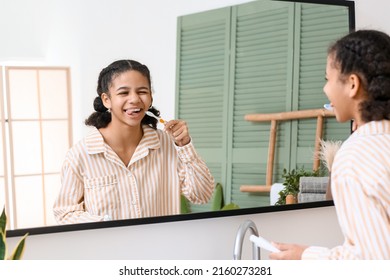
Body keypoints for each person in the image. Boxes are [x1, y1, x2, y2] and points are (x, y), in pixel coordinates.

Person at [270, 30, 390, 260]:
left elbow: (375, 262)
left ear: (352, 84)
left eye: (328, 79)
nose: (325, 89)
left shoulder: (355, 157)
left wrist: (307, 256)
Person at [53, 59, 215, 224]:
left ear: (150, 97)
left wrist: (184, 145)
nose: (134, 99)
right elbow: (65, 213)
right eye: (124, 93)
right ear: (106, 99)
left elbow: (202, 195)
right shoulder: (80, 155)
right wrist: (104, 224)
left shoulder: (168, 145)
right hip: (110, 248)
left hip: (162, 248)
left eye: (142, 91)